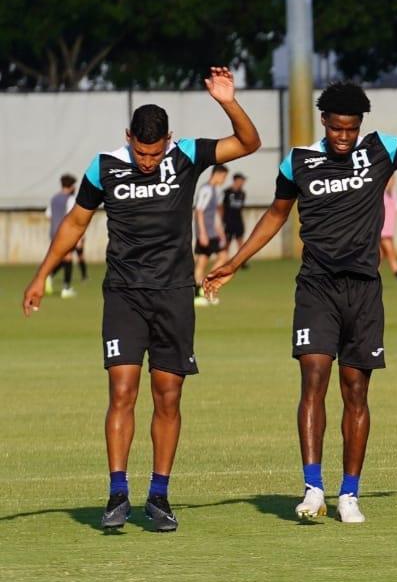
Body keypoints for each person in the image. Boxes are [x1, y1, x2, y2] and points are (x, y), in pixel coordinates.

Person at [204, 82, 397, 523]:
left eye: (350, 130)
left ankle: (349, 493)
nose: (344, 137)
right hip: (316, 288)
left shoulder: (381, 148)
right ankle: (313, 488)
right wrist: (234, 262)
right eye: (336, 129)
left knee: (356, 391)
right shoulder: (298, 161)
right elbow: (276, 214)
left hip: (364, 290)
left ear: (360, 126)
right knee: (313, 379)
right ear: (324, 122)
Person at [22, 67, 261, 531]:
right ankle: (116, 494)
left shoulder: (187, 155)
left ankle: (159, 496)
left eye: (154, 152)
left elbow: (248, 143)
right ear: (127, 136)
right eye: (140, 150)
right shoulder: (105, 166)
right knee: (122, 391)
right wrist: (40, 276)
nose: (147, 161)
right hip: (125, 296)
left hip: (173, 295)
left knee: (167, 396)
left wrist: (228, 101)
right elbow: (75, 224)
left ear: (168, 140)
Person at [193, 164, 228, 306]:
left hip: (213, 232)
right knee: (217, 258)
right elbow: (199, 211)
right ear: (217, 174)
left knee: (204, 261)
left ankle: (202, 288)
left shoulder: (216, 190)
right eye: (224, 177)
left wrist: (221, 232)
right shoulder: (205, 190)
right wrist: (202, 233)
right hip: (206, 233)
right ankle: (198, 293)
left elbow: (215, 215)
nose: (224, 180)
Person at [45, 174, 80, 298]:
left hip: (53, 232)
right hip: (65, 233)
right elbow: (72, 217)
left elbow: (48, 215)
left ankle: (49, 276)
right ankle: (66, 288)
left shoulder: (54, 198)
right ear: (71, 186)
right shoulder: (70, 199)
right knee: (68, 257)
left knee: (62, 258)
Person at [222, 172, 247, 261]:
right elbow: (222, 207)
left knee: (240, 241)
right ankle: (224, 260)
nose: (243, 183)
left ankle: (242, 261)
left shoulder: (242, 193)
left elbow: (240, 208)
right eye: (241, 180)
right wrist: (222, 220)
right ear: (236, 180)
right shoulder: (227, 192)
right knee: (227, 242)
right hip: (228, 221)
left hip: (238, 221)